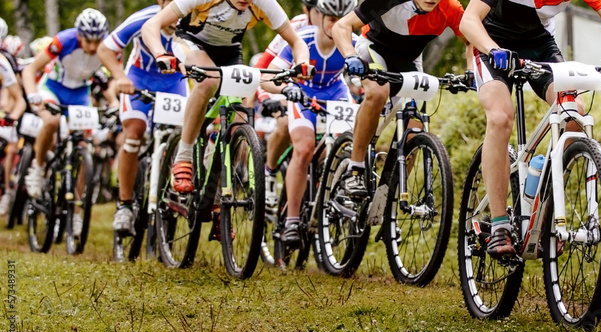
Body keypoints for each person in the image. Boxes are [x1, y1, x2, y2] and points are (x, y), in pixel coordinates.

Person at [459, 0, 601, 256]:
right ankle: (499, 223)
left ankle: (541, 194)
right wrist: (493, 49)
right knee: (500, 117)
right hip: (490, 42)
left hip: (539, 45)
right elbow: (468, 20)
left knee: (574, 113)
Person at [141, 0, 314, 194]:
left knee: (242, 108)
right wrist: (160, 53)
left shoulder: (263, 2)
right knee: (209, 81)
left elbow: (296, 41)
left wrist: (303, 62)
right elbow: (151, 25)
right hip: (191, 42)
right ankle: (184, 155)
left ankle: (214, 176)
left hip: (230, 51)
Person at [332, 0, 474, 198]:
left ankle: (391, 198)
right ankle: (355, 169)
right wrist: (350, 56)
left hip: (408, 60)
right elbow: (341, 25)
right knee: (377, 93)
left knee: (415, 126)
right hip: (374, 49)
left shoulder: (450, 8)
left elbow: (471, 39)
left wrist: (470, 70)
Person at [258, 0, 357, 248]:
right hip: (303, 92)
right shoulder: (302, 39)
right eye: (332, 19)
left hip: (336, 92)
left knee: (351, 143)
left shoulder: (355, 43)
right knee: (303, 148)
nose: (337, 26)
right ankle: (292, 218)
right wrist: (287, 87)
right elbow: (267, 77)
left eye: (342, 19)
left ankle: (339, 194)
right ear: (319, 17)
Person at [97, 0, 190, 241]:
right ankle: (125, 204)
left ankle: (173, 190)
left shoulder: (194, 18)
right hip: (140, 79)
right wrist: (119, 78)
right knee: (133, 135)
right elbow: (105, 49)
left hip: (173, 83)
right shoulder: (144, 18)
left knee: (184, 133)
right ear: (161, 3)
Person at [21, 9, 114, 236]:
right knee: (51, 122)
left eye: (97, 41)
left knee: (84, 148)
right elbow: (30, 69)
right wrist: (33, 94)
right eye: (87, 40)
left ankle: (76, 211)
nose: (92, 47)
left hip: (80, 94)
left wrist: (114, 103)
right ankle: (39, 168)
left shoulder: (109, 47)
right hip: (52, 89)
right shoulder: (63, 41)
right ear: (79, 34)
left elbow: (110, 81)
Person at [0, 19, 28, 216]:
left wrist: (11, 117)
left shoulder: (4, 63)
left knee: (11, 149)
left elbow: (18, 99)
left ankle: (8, 190)